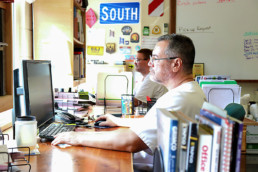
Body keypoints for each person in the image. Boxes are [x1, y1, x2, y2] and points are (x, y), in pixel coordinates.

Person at [52, 34, 207, 171]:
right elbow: (150, 124)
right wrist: (117, 120)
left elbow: (131, 142)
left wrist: (76, 137)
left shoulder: (180, 98)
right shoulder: (187, 91)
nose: (150, 64)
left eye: (155, 59)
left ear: (176, 64)